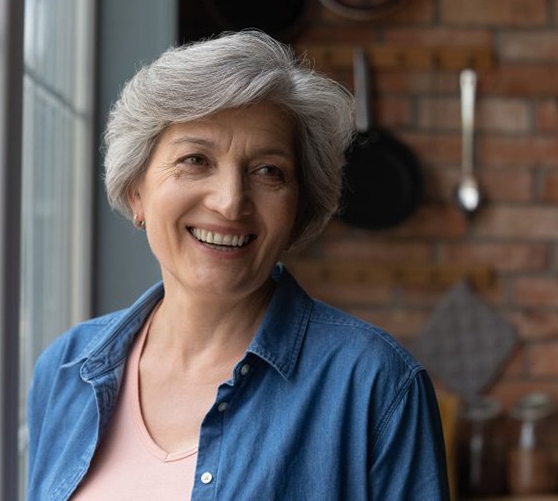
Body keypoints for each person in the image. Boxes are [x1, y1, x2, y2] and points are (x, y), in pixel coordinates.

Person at [27, 30, 450, 500]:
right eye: (195, 159)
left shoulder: (376, 384)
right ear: (136, 190)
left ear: (297, 210)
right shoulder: (65, 369)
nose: (231, 203)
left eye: (269, 171)